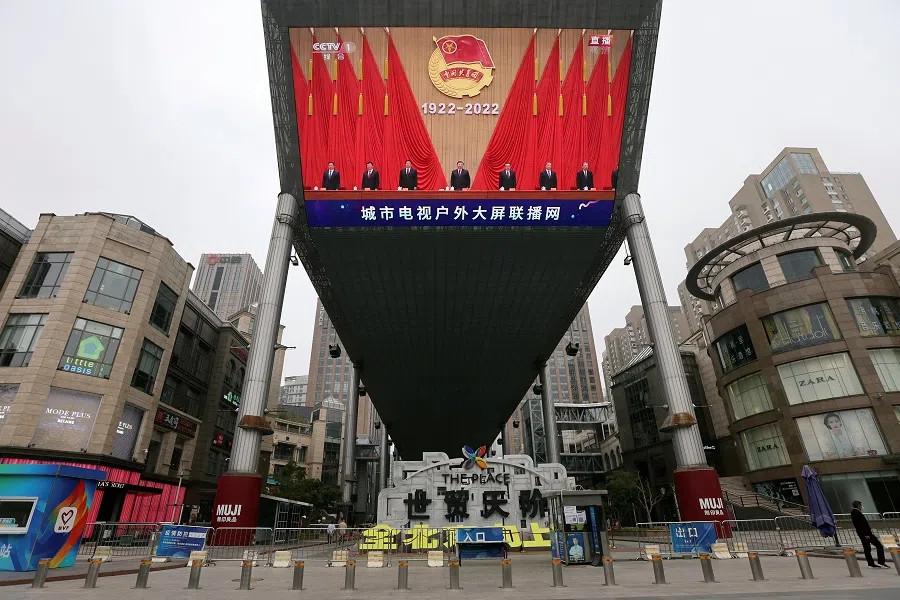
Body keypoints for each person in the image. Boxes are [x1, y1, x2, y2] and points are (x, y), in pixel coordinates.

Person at [851, 500, 888, 568]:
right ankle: (881, 562)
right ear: (858, 505)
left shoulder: (854, 512)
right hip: (866, 534)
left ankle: (870, 563)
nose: (861, 507)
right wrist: (866, 534)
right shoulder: (857, 513)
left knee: (867, 548)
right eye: (861, 505)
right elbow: (861, 525)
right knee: (879, 545)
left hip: (862, 534)